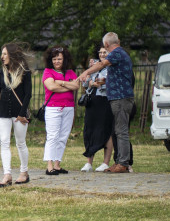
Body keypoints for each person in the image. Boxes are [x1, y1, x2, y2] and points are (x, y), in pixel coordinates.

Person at [79, 32, 135, 173]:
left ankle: (123, 163)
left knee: (121, 131)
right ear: (118, 40)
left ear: (107, 45)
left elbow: (102, 64)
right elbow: (119, 75)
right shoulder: (121, 54)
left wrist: (86, 72)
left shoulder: (116, 53)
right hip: (120, 97)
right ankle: (120, 161)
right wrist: (104, 81)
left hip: (120, 98)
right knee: (117, 130)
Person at [0, 42, 32, 186]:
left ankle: (24, 172)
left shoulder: (25, 72)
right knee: (4, 142)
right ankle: (7, 174)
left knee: (20, 142)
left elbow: (27, 95)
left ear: (12, 55)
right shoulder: (2, 72)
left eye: (5, 54)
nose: (2, 57)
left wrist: (21, 113)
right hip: (3, 111)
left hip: (19, 112)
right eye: (2, 54)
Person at [42, 45, 80, 175]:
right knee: (53, 136)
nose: (56, 61)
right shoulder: (47, 71)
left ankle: (57, 164)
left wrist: (61, 82)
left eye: (59, 59)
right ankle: (49, 165)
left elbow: (76, 85)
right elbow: (51, 86)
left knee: (63, 136)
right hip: (53, 108)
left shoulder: (70, 72)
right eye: (54, 59)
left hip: (69, 108)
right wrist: (67, 85)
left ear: (64, 59)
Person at [80, 45, 114, 172]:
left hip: (104, 101)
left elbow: (108, 83)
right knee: (89, 130)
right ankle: (89, 163)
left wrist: (95, 83)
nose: (102, 55)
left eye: (105, 52)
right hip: (92, 101)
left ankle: (105, 162)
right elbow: (84, 82)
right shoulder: (93, 67)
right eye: (100, 53)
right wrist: (90, 81)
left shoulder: (112, 67)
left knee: (105, 130)